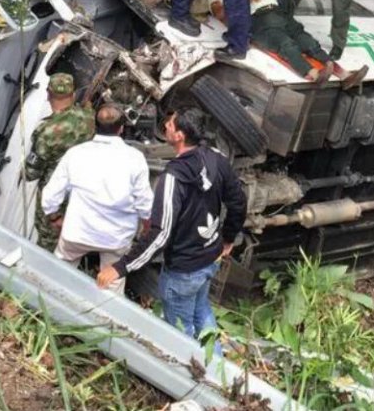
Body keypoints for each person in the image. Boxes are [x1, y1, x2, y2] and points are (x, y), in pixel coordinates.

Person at [97, 108, 246, 349]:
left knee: (180, 334)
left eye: (170, 124)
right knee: (201, 312)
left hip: (183, 270)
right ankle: (218, 370)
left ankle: (192, 380)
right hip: (209, 258)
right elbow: (238, 201)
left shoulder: (172, 178)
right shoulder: (216, 159)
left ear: (179, 136)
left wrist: (121, 267)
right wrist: (228, 238)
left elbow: (161, 233)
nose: (165, 124)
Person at [42, 105, 153, 295]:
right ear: (121, 128)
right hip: (116, 238)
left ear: (95, 126)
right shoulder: (135, 159)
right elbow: (145, 204)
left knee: (57, 275)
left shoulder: (76, 153)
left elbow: (50, 195)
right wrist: (147, 227)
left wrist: (54, 218)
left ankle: (51, 307)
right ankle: (104, 320)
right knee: (111, 286)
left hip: (77, 232)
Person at [206, 0, 369, 89]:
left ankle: (344, 75)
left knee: (307, 41)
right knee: (285, 43)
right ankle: (313, 74)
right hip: (258, 19)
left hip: (278, 13)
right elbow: (221, 14)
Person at [24, 73, 96, 185]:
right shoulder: (89, 116)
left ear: (48, 95)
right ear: (73, 95)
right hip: (81, 189)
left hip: (54, 194)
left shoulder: (45, 133)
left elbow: (31, 173)